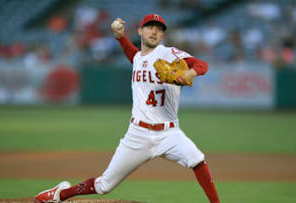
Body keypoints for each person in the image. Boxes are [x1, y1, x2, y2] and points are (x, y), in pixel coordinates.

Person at [34, 14, 220, 203]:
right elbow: (133, 55)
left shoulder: (168, 53)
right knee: (103, 185)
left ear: (163, 36)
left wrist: (190, 72)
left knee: (197, 159)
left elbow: (202, 64)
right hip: (137, 134)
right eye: (150, 27)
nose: (154, 31)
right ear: (140, 31)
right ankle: (60, 194)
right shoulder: (138, 57)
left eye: (159, 29)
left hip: (169, 133)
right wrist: (120, 36)